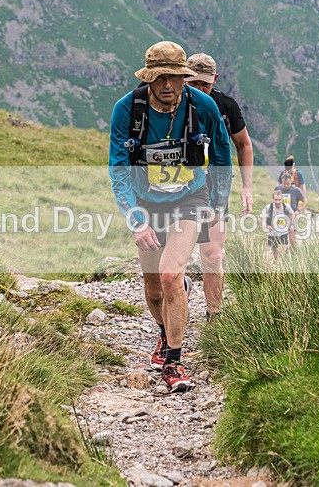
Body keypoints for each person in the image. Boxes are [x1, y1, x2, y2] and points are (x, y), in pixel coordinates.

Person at [109, 41, 232, 392]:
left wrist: (218, 209)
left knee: (168, 274)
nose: (167, 85)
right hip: (146, 203)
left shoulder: (203, 106)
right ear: (148, 78)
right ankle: (164, 334)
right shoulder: (126, 110)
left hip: (190, 198)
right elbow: (118, 170)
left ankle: (174, 364)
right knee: (152, 287)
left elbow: (222, 157)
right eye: (159, 77)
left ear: (184, 78)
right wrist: (136, 220)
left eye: (175, 77)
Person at [184, 52, 253, 320]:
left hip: (215, 188)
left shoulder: (226, 106)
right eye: (194, 83)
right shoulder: (174, 103)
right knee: (173, 251)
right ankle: (181, 290)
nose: (200, 89)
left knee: (212, 253)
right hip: (180, 187)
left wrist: (247, 186)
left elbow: (244, 144)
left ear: (215, 79)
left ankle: (214, 314)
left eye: (205, 84)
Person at [261, 190, 294, 261]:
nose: (277, 202)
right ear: (273, 199)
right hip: (272, 233)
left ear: (282, 199)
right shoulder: (268, 207)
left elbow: (292, 214)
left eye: (279, 200)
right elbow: (261, 218)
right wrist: (266, 225)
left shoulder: (286, 207)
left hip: (283, 232)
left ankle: (281, 262)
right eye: (276, 200)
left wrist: (291, 224)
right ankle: (277, 263)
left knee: (283, 250)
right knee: (274, 251)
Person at [274, 172, 305, 246]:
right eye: (284, 184)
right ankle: (281, 253)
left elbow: (305, 201)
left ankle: (294, 253)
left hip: (292, 215)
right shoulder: (277, 188)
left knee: (291, 235)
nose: (286, 185)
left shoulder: (296, 190)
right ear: (282, 181)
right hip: (280, 215)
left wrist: (298, 210)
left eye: (288, 183)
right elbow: (274, 200)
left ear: (291, 181)